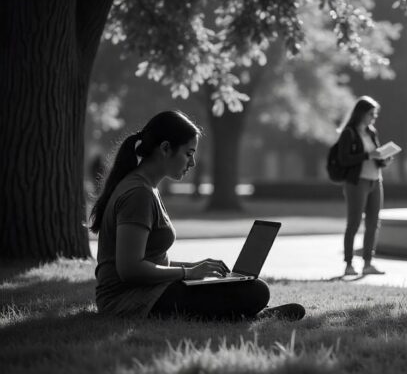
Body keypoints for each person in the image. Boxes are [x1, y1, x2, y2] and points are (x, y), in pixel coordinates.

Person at [90, 110, 304, 320]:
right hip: (127, 301)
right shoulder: (138, 194)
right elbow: (130, 269)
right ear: (165, 148)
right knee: (256, 291)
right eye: (188, 154)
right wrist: (187, 273)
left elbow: (149, 261)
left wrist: (195, 267)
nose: (192, 163)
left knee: (245, 288)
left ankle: (245, 312)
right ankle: (251, 314)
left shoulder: (145, 188)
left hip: (149, 292)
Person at [337, 96, 393, 276]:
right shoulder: (349, 133)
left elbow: (375, 158)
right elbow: (344, 159)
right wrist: (369, 155)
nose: (373, 117)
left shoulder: (371, 132)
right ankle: (348, 264)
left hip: (375, 181)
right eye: (371, 113)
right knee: (353, 223)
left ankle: (368, 263)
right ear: (361, 113)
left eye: (375, 114)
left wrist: (384, 159)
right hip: (357, 182)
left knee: (373, 223)